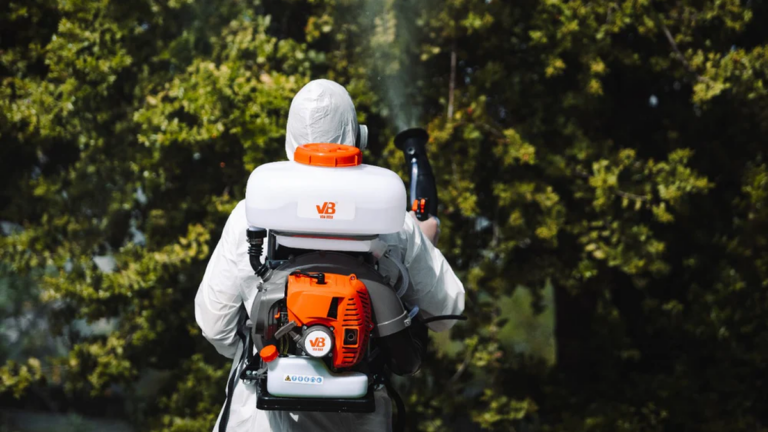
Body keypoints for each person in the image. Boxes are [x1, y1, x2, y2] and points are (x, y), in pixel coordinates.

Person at [195, 79, 465, 432]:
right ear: (357, 136)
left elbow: (214, 325)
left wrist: (266, 356)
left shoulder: (251, 213)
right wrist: (425, 241)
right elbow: (448, 311)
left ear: (290, 139)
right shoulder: (394, 222)